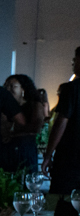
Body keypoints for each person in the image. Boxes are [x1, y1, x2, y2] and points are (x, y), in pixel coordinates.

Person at [43, 47, 80, 195]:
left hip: (70, 157)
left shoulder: (72, 89)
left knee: (63, 199)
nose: (73, 63)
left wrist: (48, 155)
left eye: (75, 59)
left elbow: (61, 122)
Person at [3, 74, 47, 172]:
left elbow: (36, 128)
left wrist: (13, 131)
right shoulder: (5, 106)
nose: (8, 89)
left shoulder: (35, 105)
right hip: (8, 149)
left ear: (23, 89)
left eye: (12, 86)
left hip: (25, 149)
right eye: (6, 86)